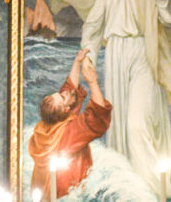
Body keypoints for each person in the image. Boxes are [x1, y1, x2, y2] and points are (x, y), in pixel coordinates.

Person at [79, 0, 171, 195]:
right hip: (116, 55)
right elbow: (92, 28)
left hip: (144, 52)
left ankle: (153, 190)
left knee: (137, 124)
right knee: (119, 124)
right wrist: (89, 58)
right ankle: (128, 190)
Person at [28, 48, 112, 199]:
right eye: (62, 96)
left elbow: (70, 89)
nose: (65, 92)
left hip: (47, 195)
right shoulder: (68, 133)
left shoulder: (47, 126)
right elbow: (97, 117)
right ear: (66, 109)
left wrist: (77, 61)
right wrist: (93, 82)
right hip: (67, 194)